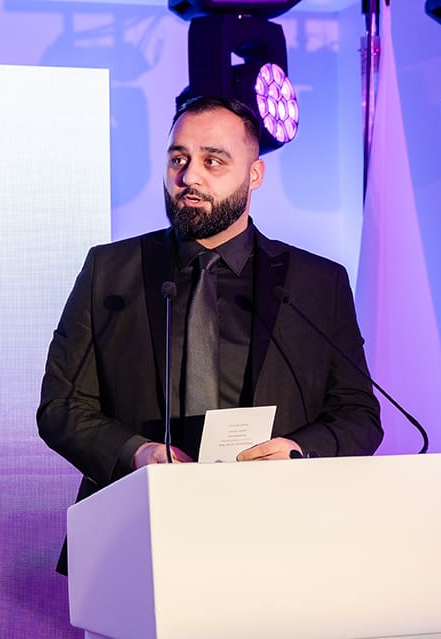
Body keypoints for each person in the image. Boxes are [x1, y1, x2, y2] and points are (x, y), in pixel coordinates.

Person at [37, 96, 381, 572]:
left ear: (254, 175)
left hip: (282, 536)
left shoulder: (316, 283)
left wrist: (299, 452)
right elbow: (61, 406)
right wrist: (136, 453)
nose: (189, 177)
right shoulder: (110, 271)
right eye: (178, 160)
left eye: (212, 161)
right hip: (135, 536)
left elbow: (358, 414)